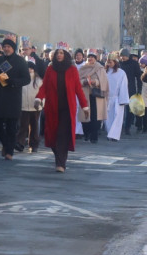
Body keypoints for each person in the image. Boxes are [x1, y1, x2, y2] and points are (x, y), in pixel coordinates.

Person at [35, 43, 88, 172]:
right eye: (57, 53)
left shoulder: (72, 70)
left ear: (66, 55)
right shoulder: (50, 69)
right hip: (52, 108)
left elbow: (78, 89)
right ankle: (59, 158)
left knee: (62, 135)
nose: (59, 55)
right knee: (52, 135)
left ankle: (61, 164)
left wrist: (85, 106)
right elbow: (44, 86)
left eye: (61, 53)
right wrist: (38, 98)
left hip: (67, 108)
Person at [0, 34, 32, 160]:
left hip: (13, 97)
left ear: (13, 48)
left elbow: (26, 79)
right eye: (5, 46)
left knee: (11, 127)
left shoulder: (20, 61)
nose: (6, 49)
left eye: (9, 46)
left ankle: (9, 152)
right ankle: (7, 144)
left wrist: (13, 82)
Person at [78, 49, 109, 143]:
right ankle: (86, 133)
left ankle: (94, 136)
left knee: (95, 116)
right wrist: (85, 82)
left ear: (95, 58)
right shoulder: (82, 68)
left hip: (96, 95)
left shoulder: (100, 68)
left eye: (92, 57)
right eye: (89, 57)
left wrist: (95, 82)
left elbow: (104, 81)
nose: (90, 58)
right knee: (85, 115)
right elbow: (77, 81)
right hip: (85, 95)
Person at [16, 61, 43, 152]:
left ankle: (34, 144)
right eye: (27, 68)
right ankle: (20, 143)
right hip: (23, 106)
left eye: (31, 68)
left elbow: (43, 93)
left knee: (34, 126)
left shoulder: (38, 80)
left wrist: (41, 103)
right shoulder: (22, 79)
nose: (29, 70)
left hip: (35, 107)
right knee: (23, 126)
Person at [104, 52, 129, 141]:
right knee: (108, 118)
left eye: (111, 62)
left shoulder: (121, 73)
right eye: (108, 62)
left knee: (117, 117)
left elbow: (123, 86)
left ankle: (115, 135)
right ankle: (109, 134)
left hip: (117, 98)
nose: (109, 63)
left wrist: (123, 99)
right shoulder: (105, 72)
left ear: (115, 62)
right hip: (107, 98)